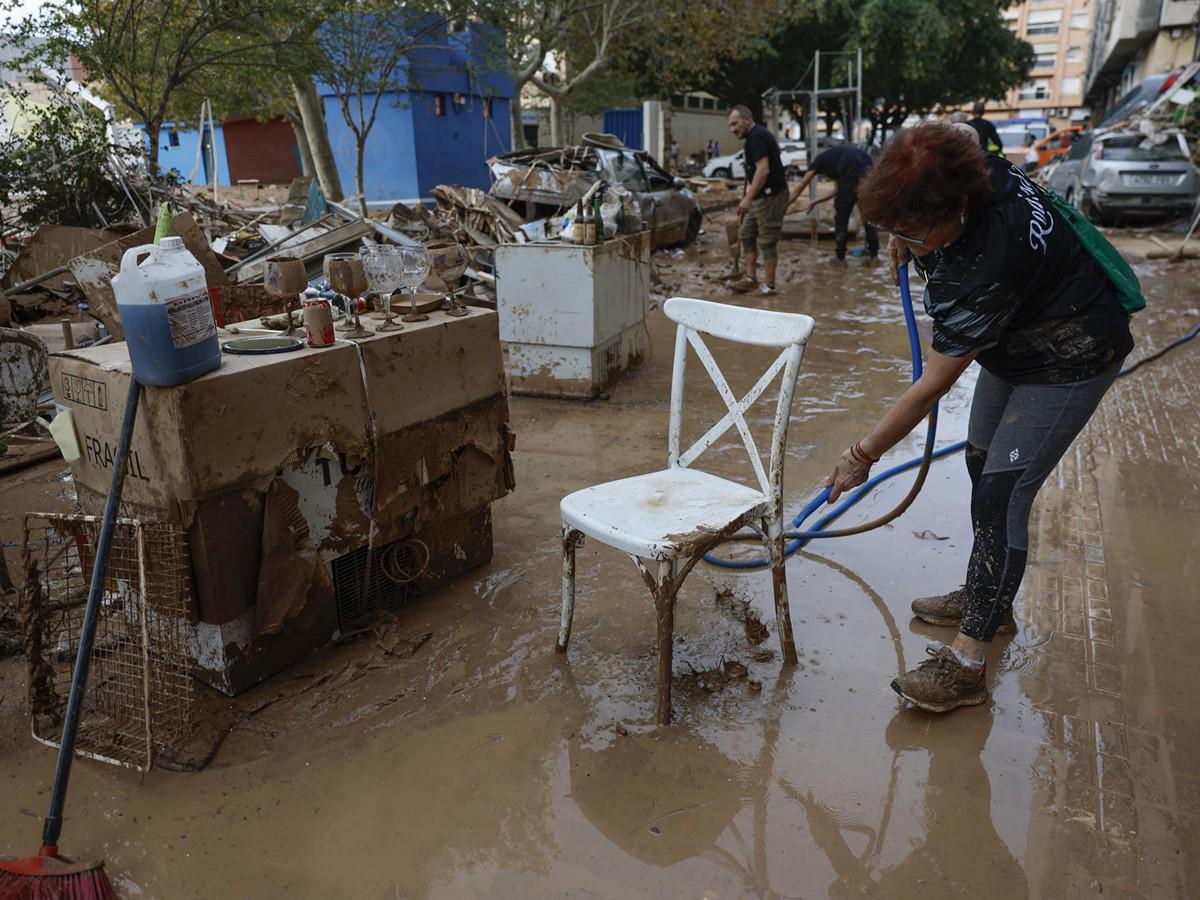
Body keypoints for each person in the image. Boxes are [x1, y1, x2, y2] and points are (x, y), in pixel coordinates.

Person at [827, 122, 1133, 713]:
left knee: (1002, 496)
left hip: (1071, 354)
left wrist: (861, 455)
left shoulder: (988, 265)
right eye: (897, 231)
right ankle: (989, 597)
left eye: (917, 233)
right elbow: (957, 130)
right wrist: (906, 231)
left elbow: (933, 384)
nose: (906, 245)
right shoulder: (974, 162)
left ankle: (967, 665)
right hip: (1016, 340)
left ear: (959, 208)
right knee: (979, 465)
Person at [726, 105, 789, 295]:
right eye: (730, 125)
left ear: (747, 119)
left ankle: (769, 286)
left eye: (735, 124)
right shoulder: (753, 138)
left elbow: (763, 170)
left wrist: (747, 198)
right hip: (760, 196)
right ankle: (750, 278)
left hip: (771, 196)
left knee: (767, 240)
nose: (733, 129)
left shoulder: (757, 137)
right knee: (746, 234)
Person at [789, 144, 879, 261]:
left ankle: (840, 257)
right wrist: (815, 202)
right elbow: (837, 190)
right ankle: (874, 255)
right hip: (869, 177)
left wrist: (783, 207)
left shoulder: (818, 162)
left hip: (852, 173)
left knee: (842, 217)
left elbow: (801, 186)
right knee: (868, 217)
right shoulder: (837, 158)